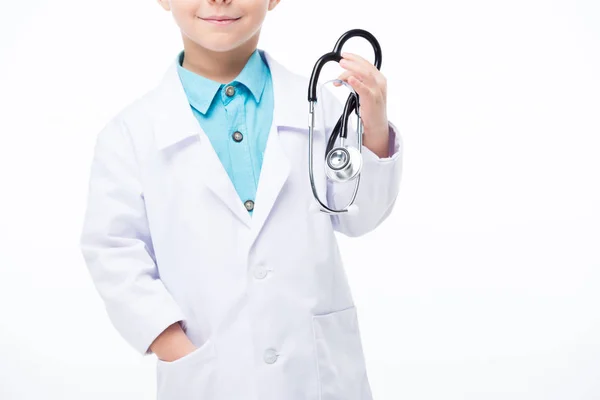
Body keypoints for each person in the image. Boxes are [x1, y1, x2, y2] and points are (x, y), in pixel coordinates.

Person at [79, 0, 403, 399]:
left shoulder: (317, 107)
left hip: (316, 376)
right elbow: (113, 253)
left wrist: (373, 125)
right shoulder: (130, 134)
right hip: (209, 376)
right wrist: (175, 348)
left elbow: (360, 215)